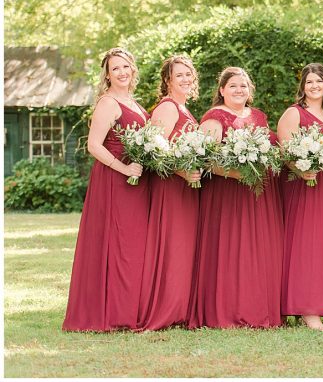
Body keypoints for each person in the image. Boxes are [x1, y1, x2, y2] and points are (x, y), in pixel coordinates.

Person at [189, 67, 285, 329]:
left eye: (243, 86)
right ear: (221, 90)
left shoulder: (259, 116)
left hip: (259, 193)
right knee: (232, 250)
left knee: (259, 250)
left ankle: (258, 308)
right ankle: (229, 310)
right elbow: (205, 158)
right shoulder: (213, 117)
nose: (239, 90)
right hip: (227, 195)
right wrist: (235, 174)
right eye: (233, 86)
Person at [64, 48, 150, 332]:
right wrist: (124, 168)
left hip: (135, 180)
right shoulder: (108, 102)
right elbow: (93, 145)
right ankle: (112, 314)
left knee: (132, 246)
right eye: (116, 69)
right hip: (115, 180)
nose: (122, 72)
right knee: (116, 244)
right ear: (107, 75)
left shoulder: (134, 103)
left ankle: (128, 309)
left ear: (133, 69)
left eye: (126, 67)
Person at [137, 55, 203, 331]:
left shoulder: (183, 107)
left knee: (184, 249)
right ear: (167, 80)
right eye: (180, 75)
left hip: (187, 187)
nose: (186, 79)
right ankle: (165, 309)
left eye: (189, 74)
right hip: (171, 186)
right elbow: (153, 149)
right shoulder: (166, 107)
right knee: (172, 247)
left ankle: (179, 308)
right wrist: (180, 171)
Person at [278, 63, 323, 331]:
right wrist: (302, 168)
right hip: (305, 186)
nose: (314, 86)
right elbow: (285, 152)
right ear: (302, 87)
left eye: (319, 81)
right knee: (307, 245)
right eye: (309, 82)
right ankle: (307, 309)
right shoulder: (294, 114)